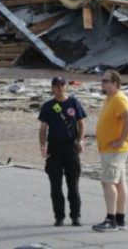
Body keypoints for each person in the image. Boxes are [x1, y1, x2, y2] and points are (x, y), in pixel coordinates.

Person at [38, 75, 86, 227]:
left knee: (73, 185)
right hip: (55, 148)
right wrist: (43, 147)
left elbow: (81, 124)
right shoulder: (48, 106)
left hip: (70, 148)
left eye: (62, 85)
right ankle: (59, 216)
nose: (59, 88)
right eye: (57, 86)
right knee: (55, 186)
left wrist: (80, 140)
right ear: (52, 88)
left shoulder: (73, 102)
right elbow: (43, 129)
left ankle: (76, 216)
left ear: (66, 86)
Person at [92, 70, 128, 232]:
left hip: (115, 149)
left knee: (107, 181)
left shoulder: (119, 99)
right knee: (119, 182)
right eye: (102, 81)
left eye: (106, 81)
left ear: (115, 83)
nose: (102, 83)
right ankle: (120, 218)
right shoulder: (109, 99)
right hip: (110, 148)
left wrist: (121, 140)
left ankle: (111, 220)